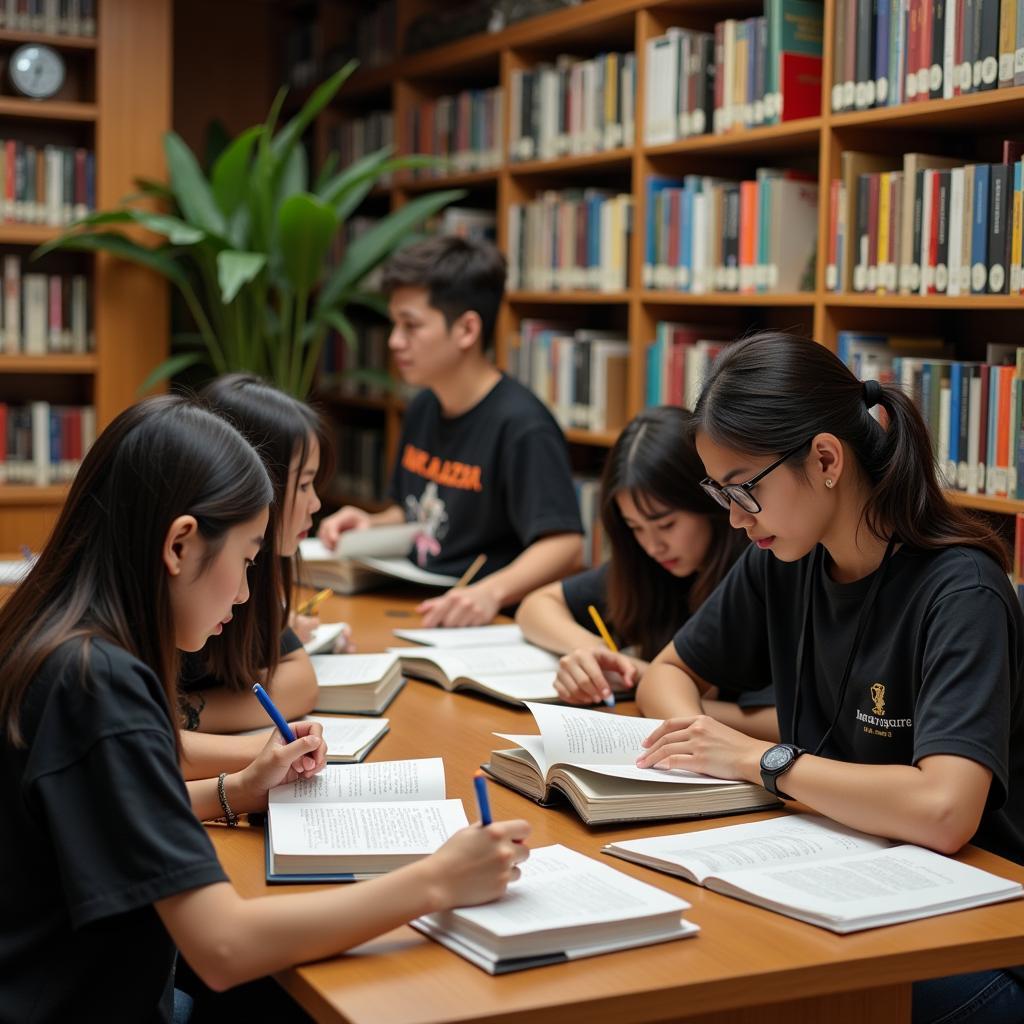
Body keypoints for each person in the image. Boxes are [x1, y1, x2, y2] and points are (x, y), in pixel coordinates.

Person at [0, 395, 530, 1022]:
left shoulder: (47, 633)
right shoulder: (99, 683)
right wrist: (439, 880)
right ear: (180, 546)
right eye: (248, 559)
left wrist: (233, 792)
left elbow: (95, 811)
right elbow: (224, 945)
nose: (251, 590)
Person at [633, 333, 1024, 1024]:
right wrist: (700, 735)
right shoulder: (780, 558)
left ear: (824, 459)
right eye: (718, 492)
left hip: (969, 936)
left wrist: (762, 761)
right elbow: (667, 673)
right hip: (838, 876)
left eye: (744, 490)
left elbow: (944, 809)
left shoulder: (961, 593)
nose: (733, 517)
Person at [317, 236, 584, 627]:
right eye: (395, 324)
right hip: (418, 601)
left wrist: (489, 592)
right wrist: (371, 525)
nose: (394, 341)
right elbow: (413, 509)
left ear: (466, 330)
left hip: (483, 623)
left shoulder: (523, 426)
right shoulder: (425, 405)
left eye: (411, 326)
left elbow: (566, 544)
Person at [516, 406, 775, 739]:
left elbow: (784, 723)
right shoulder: (650, 566)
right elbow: (537, 605)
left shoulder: (760, 569)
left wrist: (652, 684)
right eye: (635, 527)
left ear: (714, 502)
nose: (653, 545)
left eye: (666, 524)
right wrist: (596, 654)